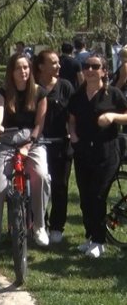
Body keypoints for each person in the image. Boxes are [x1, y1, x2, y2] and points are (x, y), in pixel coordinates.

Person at [0, 52, 49, 256]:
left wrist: (29, 145)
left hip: (33, 142)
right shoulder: (2, 92)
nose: (23, 71)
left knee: (42, 176)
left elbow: (39, 124)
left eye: (26, 67)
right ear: (11, 71)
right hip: (7, 143)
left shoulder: (39, 92)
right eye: (19, 68)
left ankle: (39, 226)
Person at [69, 53, 127, 258]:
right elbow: (72, 118)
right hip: (83, 150)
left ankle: (99, 240)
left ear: (104, 71)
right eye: (86, 66)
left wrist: (112, 116)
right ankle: (90, 236)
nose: (89, 70)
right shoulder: (77, 95)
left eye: (95, 66)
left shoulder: (113, 94)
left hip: (107, 150)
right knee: (85, 197)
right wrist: (73, 135)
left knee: (98, 195)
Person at [35, 49, 73, 244]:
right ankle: (38, 223)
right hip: (38, 144)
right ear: (41, 66)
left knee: (60, 185)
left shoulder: (65, 86)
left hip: (60, 144)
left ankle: (57, 226)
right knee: (39, 185)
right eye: (54, 62)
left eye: (59, 62)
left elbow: (73, 114)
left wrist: (71, 131)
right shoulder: (32, 86)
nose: (59, 66)